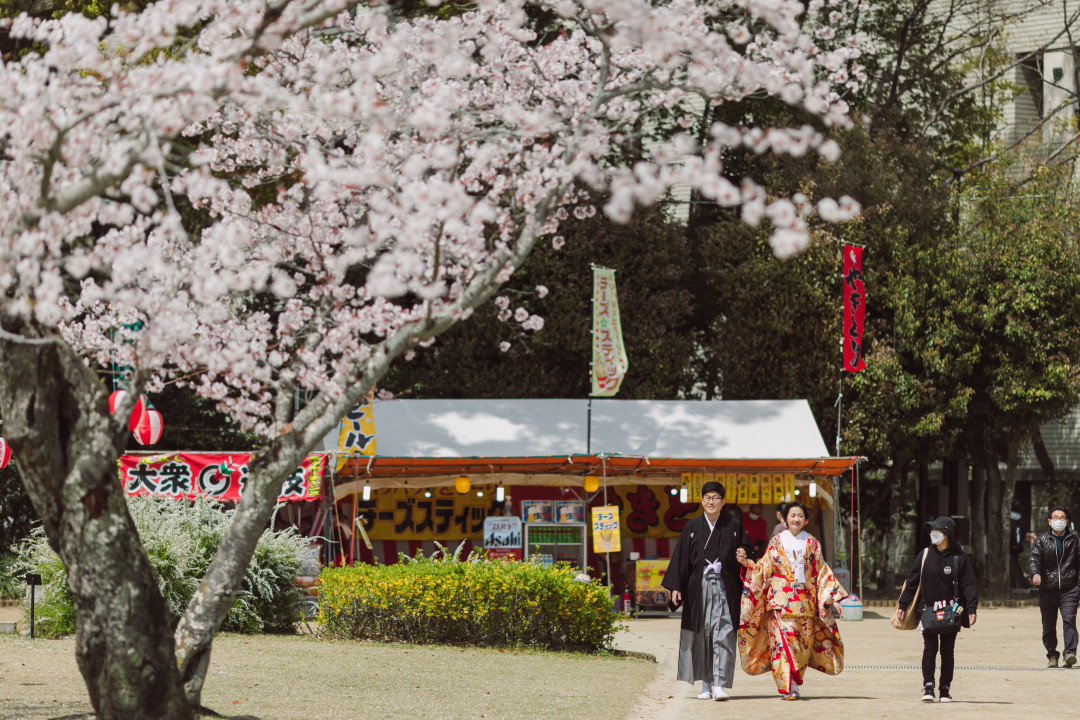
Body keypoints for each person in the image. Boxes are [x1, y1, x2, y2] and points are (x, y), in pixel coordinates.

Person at [737, 501, 846, 700]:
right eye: (792, 515)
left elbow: (821, 572)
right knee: (781, 644)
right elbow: (764, 567)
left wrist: (833, 598)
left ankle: (795, 682)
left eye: (800, 516)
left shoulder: (812, 543)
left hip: (805, 604)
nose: (796, 519)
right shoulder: (777, 541)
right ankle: (788, 686)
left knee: (802, 646)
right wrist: (748, 564)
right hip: (779, 603)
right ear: (785, 519)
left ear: (806, 520)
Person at [661, 481, 754, 701]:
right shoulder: (692, 526)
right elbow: (681, 558)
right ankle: (705, 684)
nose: (711, 502)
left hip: (725, 586)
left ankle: (720, 684)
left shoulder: (733, 525)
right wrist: (676, 586)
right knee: (702, 633)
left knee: (724, 631)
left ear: (723, 502)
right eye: (707, 498)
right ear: (702, 501)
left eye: (716, 498)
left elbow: (748, 551)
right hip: (698, 587)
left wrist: (745, 558)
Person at [895, 516, 977, 703]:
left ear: (947, 534)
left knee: (948, 650)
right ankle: (929, 686)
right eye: (932, 530)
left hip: (952, 611)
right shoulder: (924, 555)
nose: (933, 533)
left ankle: (945, 689)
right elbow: (912, 582)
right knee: (930, 648)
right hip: (928, 610)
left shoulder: (960, 558)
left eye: (937, 530)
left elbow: (969, 585)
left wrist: (971, 609)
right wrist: (902, 605)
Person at [1029, 505, 1079, 668]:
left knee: (1069, 620)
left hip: (1069, 588)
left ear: (1067, 521)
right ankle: (1052, 654)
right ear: (1049, 521)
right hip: (1047, 589)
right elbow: (1034, 559)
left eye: (1062, 518)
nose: (1059, 520)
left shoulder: (1075, 539)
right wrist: (1035, 573)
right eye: (1055, 518)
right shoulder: (1042, 540)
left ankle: (1070, 653)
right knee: (1048, 624)